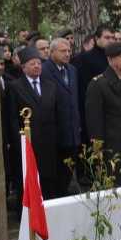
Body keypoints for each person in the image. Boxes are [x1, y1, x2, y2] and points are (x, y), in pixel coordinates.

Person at [6, 46, 73, 200]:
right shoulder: (15, 87)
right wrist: (19, 142)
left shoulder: (50, 85)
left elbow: (58, 114)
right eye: (32, 64)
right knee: (29, 183)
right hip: (28, 144)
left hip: (50, 144)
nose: (37, 66)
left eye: (39, 63)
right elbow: (12, 118)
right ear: (23, 67)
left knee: (49, 183)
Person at [84, 41, 121, 185]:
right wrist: (98, 148)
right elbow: (94, 120)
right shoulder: (98, 84)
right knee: (115, 185)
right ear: (110, 59)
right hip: (111, 146)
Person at [41, 38, 81, 192]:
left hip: (72, 132)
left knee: (68, 174)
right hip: (55, 133)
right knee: (56, 177)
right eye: (63, 51)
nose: (67, 54)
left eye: (69, 51)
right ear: (52, 52)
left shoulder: (72, 70)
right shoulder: (44, 70)